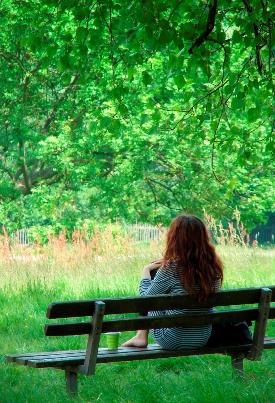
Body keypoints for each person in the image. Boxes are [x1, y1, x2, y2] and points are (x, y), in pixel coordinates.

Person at [122, 215, 223, 350]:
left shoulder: (171, 268)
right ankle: (140, 336)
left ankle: (141, 336)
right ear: (203, 238)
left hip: (173, 340)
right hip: (202, 338)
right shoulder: (214, 268)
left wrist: (146, 271)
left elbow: (145, 300)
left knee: (153, 297)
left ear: (175, 239)